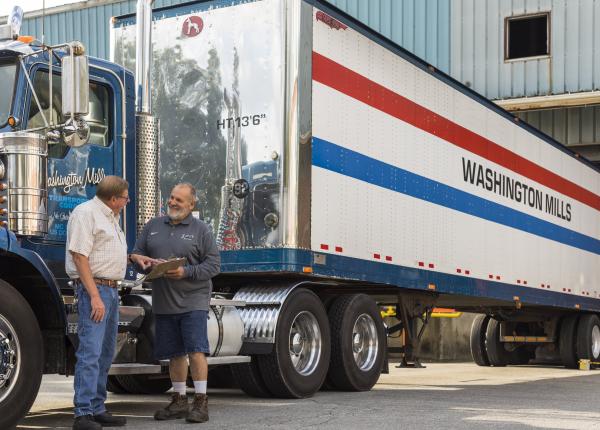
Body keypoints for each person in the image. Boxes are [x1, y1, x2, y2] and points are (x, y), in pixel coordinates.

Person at [130, 183, 220, 424]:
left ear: (191, 205)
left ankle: (200, 402)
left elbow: (213, 266)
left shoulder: (202, 230)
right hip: (163, 301)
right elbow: (137, 254)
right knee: (174, 353)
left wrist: (186, 271)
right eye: (171, 197)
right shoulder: (153, 226)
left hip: (193, 300)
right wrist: (140, 261)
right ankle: (179, 401)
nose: (173, 202)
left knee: (196, 349)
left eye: (179, 200)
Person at [65, 176, 130, 430]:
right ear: (113, 198)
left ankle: (96, 407)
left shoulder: (111, 217)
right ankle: (82, 414)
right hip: (96, 289)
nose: (127, 201)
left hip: (111, 291)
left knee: (104, 352)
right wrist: (93, 296)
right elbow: (79, 256)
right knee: (90, 352)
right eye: (125, 197)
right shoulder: (86, 213)